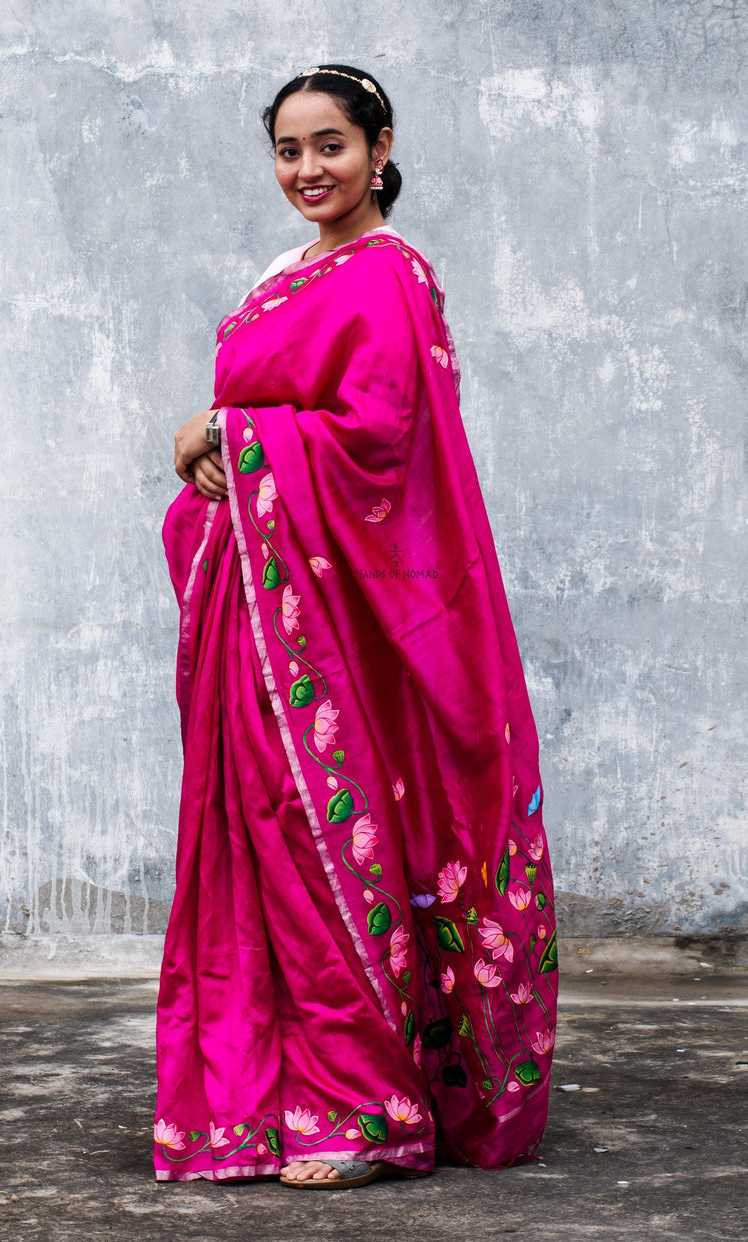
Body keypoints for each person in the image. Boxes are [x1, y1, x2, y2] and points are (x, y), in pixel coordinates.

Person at [157, 64, 557, 1190]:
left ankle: (367, 1112)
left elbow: (378, 446)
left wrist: (225, 434)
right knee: (264, 844)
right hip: (268, 601)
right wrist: (227, 452)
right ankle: (277, 1100)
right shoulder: (294, 272)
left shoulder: (388, 276)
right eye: (287, 150)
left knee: (322, 839)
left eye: (329, 145)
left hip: (342, 626)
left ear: (381, 147)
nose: (306, 171)